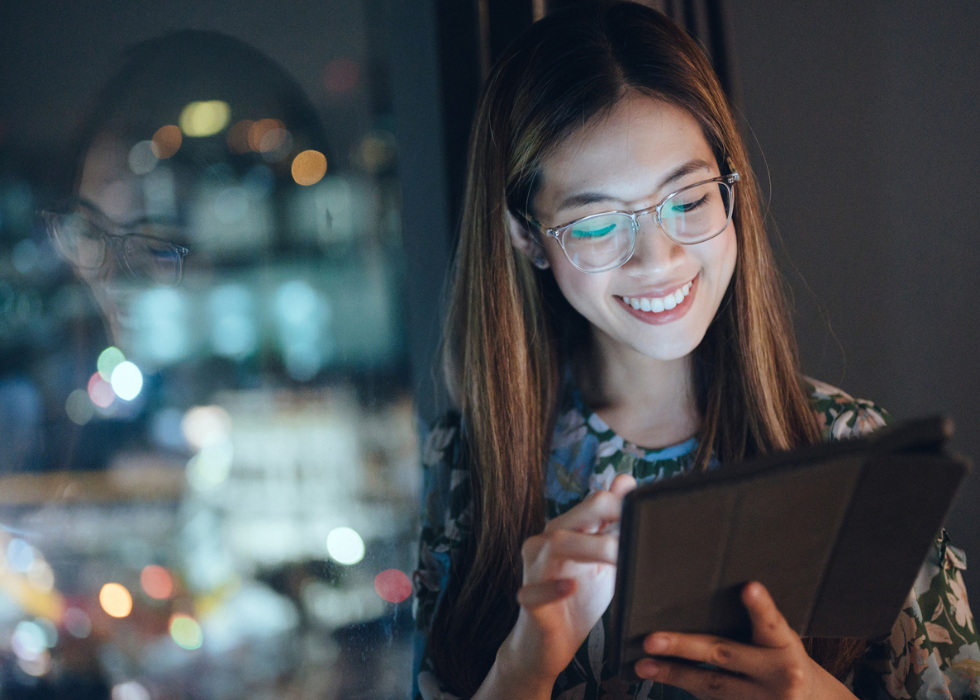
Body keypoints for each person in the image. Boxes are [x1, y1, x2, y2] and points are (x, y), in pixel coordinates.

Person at [410, 3, 979, 700]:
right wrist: (527, 664)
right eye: (596, 223)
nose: (659, 257)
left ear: (729, 188)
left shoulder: (858, 451)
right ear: (528, 237)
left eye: (687, 199)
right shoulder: (473, 462)